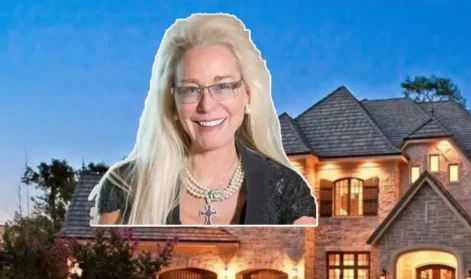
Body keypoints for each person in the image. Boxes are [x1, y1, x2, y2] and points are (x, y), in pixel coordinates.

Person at [90, 13, 317, 226]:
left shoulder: (287, 192)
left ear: (248, 94)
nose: (206, 105)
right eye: (190, 90)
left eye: (223, 86)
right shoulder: (125, 186)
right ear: (173, 102)